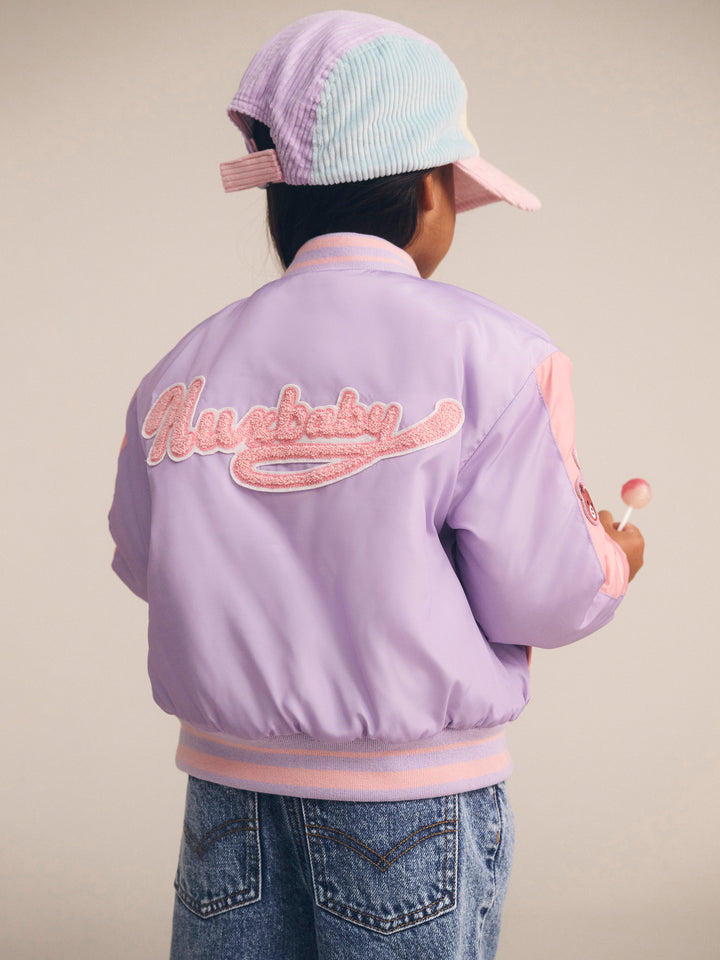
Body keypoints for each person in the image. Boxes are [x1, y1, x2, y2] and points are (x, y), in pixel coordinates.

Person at [108, 11, 644, 960]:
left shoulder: (182, 368)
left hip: (228, 794)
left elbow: (151, 562)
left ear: (276, 202)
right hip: (410, 801)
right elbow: (543, 595)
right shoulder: (496, 354)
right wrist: (611, 556)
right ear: (434, 193)